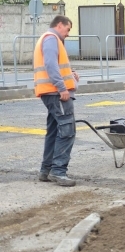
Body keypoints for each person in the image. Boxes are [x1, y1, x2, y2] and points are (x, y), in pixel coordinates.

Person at [35, 16, 80, 186]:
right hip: (56, 93)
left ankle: (46, 170)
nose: (68, 34)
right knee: (67, 130)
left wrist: (71, 74)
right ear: (59, 25)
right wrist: (62, 88)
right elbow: (50, 64)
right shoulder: (51, 38)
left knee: (54, 131)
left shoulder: (49, 39)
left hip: (51, 92)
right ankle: (58, 171)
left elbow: (56, 66)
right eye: (67, 29)